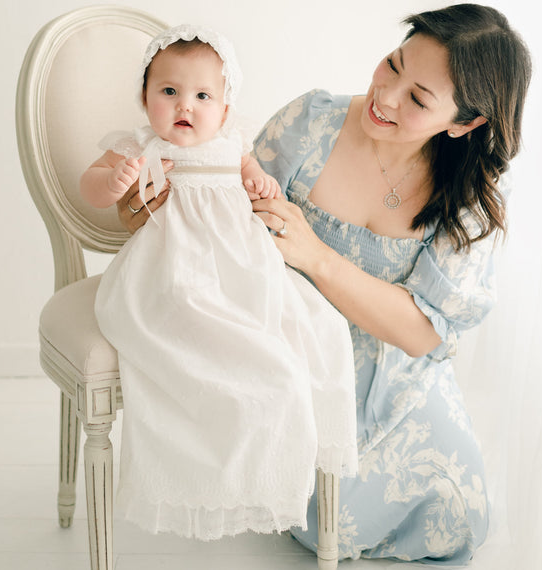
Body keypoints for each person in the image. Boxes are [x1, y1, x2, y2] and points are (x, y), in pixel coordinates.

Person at [116, 3, 532, 564]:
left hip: (395, 373)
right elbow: (216, 209)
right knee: (316, 511)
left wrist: (318, 256)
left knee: (457, 514)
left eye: (417, 99)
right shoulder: (310, 122)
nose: (385, 97)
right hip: (288, 335)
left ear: (465, 123)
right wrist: (146, 205)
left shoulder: (470, 206)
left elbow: (424, 335)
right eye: (392, 65)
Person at [80, 25, 359, 540]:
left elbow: (255, 178)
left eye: (203, 95)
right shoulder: (139, 145)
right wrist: (112, 182)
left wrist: (260, 180)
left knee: (310, 326)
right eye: (169, 92)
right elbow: (91, 184)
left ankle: (259, 470)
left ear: (225, 110)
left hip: (239, 268)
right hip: (168, 269)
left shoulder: (232, 146)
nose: (185, 105)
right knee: (187, 312)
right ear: (145, 99)